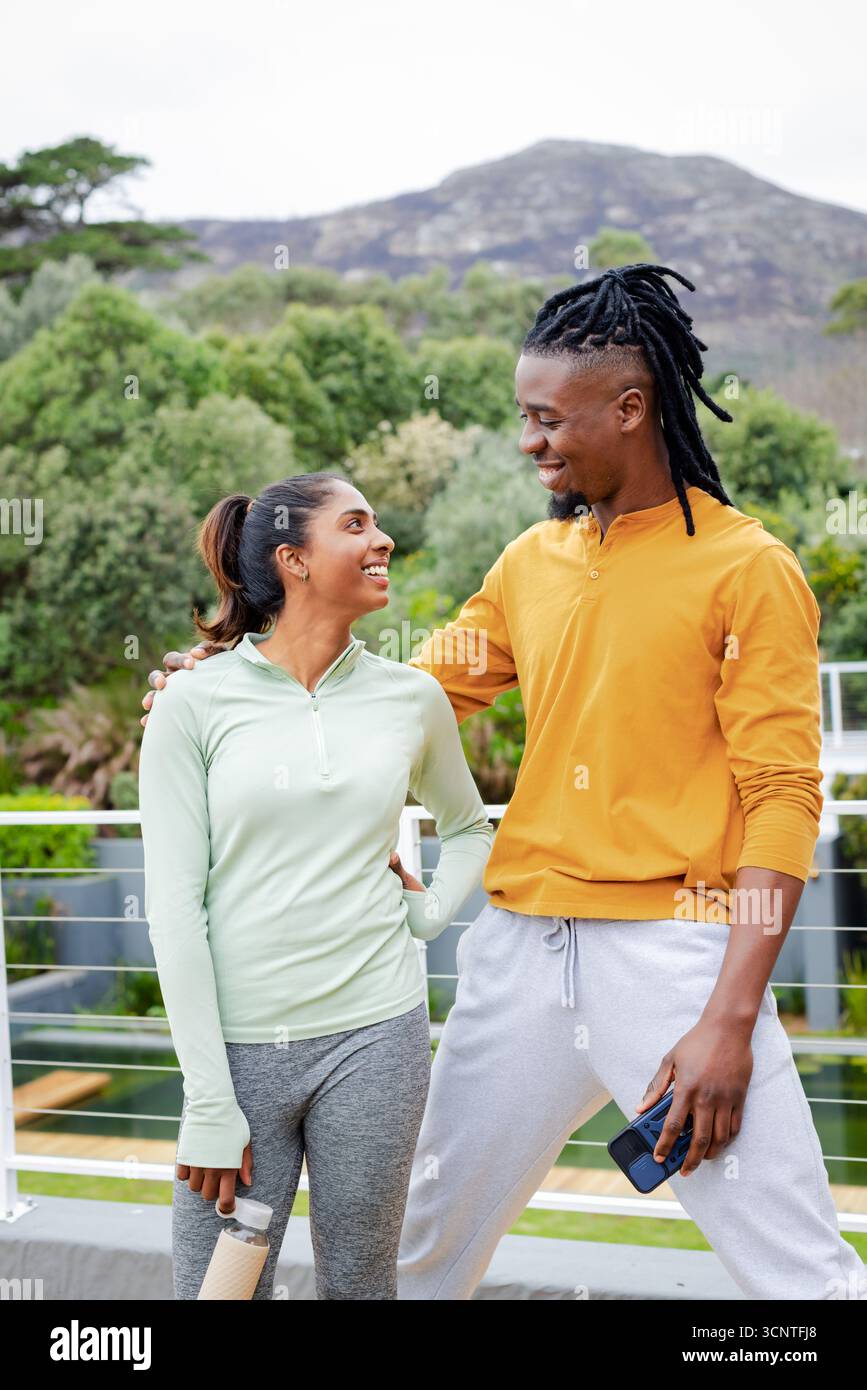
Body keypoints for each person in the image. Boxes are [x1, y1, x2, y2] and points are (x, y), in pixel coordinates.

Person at [142, 263, 866, 1301]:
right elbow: (396, 697)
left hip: (676, 961)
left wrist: (730, 1016)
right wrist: (226, 679)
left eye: (545, 418)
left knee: (800, 1278)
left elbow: (786, 798)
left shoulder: (749, 569)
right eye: (523, 416)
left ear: (631, 406)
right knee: (415, 1258)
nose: (529, 440)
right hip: (519, 955)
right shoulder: (532, 561)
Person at [137, 472, 494, 1300]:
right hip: (239, 1046)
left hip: (378, 1035)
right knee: (221, 1288)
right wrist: (206, 1099)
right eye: (357, 526)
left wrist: (432, 911)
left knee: (362, 1285)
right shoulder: (192, 701)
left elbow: (469, 825)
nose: (383, 541)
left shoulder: (411, 696)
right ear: (293, 558)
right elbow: (173, 912)